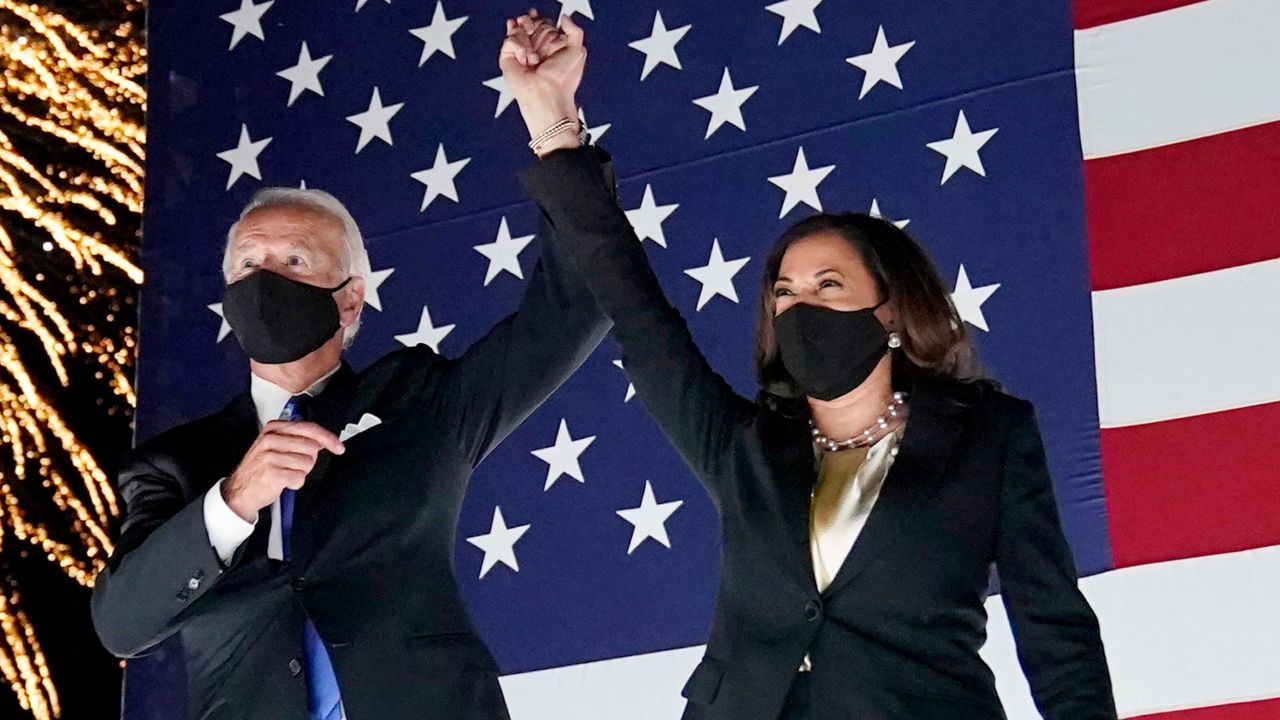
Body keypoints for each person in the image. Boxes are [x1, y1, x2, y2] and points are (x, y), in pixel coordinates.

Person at [506, 11, 1117, 720]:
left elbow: (1055, 632)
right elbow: (639, 315)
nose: (801, 307)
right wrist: (553, 123)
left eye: (829, 285)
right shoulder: (746, 451)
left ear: (889, 310)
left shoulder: (990, 438)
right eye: (785, 293)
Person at [90, 17, 608, 718]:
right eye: (248, 265)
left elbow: (579, 305)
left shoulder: (420, 404)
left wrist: (554, 122)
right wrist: (235, 498)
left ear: (350, 297)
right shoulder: (174, 467)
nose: (265, 278)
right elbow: (123, 625)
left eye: (295, 262)